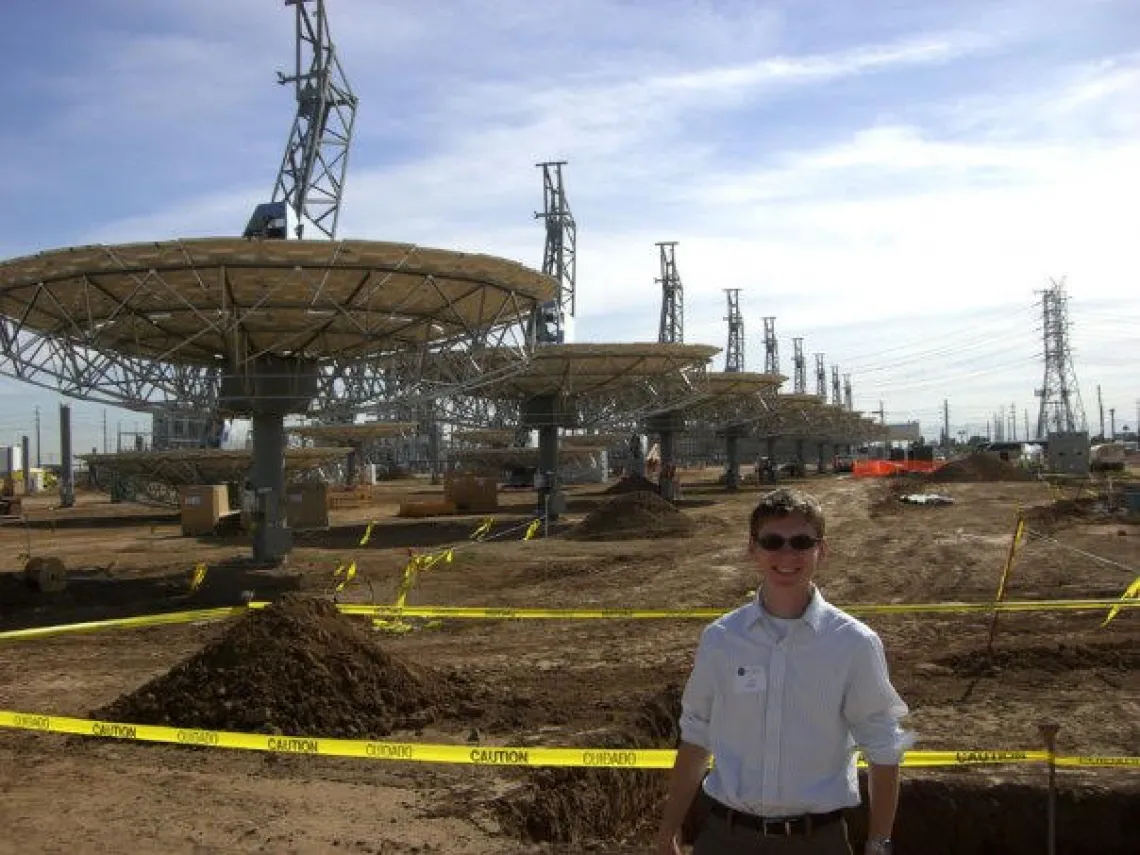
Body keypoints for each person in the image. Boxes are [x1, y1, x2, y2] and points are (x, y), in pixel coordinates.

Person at [654, 488, 911, 855]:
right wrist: (669, 829)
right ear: (752, 548)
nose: (787, 555)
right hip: (725, 839)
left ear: (822, 549)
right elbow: (696, 737)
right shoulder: (721, 639)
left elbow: (884, 748)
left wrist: (879, 842)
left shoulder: (854, 644)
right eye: (773, 541)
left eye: (801, 542)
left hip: (817, 842)